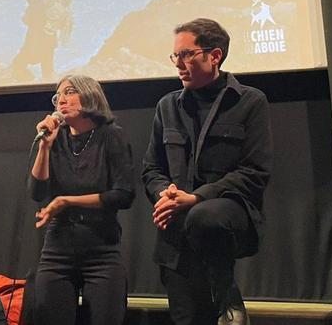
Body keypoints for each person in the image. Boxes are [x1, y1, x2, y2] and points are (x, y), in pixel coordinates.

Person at [142, 18, 272, 325]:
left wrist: (197, 197)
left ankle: (225, 291)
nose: (179, 64)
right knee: (186, 316)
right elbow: (151, 169)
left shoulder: (250, 101)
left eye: (186, 55)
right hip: (176, 229)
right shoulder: (167, 106)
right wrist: (167, 195)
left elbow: (255, 172)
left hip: (226, 215)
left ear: (214, 56)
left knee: (205, 215)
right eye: (175, 56)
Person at [29, 74, 134, 325]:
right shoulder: (55, 139)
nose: (61, 100)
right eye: (58, 95)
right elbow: (37, 193)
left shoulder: (111, 136)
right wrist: (45, 147)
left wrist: (67, 202)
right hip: (57, 250)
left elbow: (123, 194)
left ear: (89, 96)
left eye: (69, 92)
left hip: (101, 249)